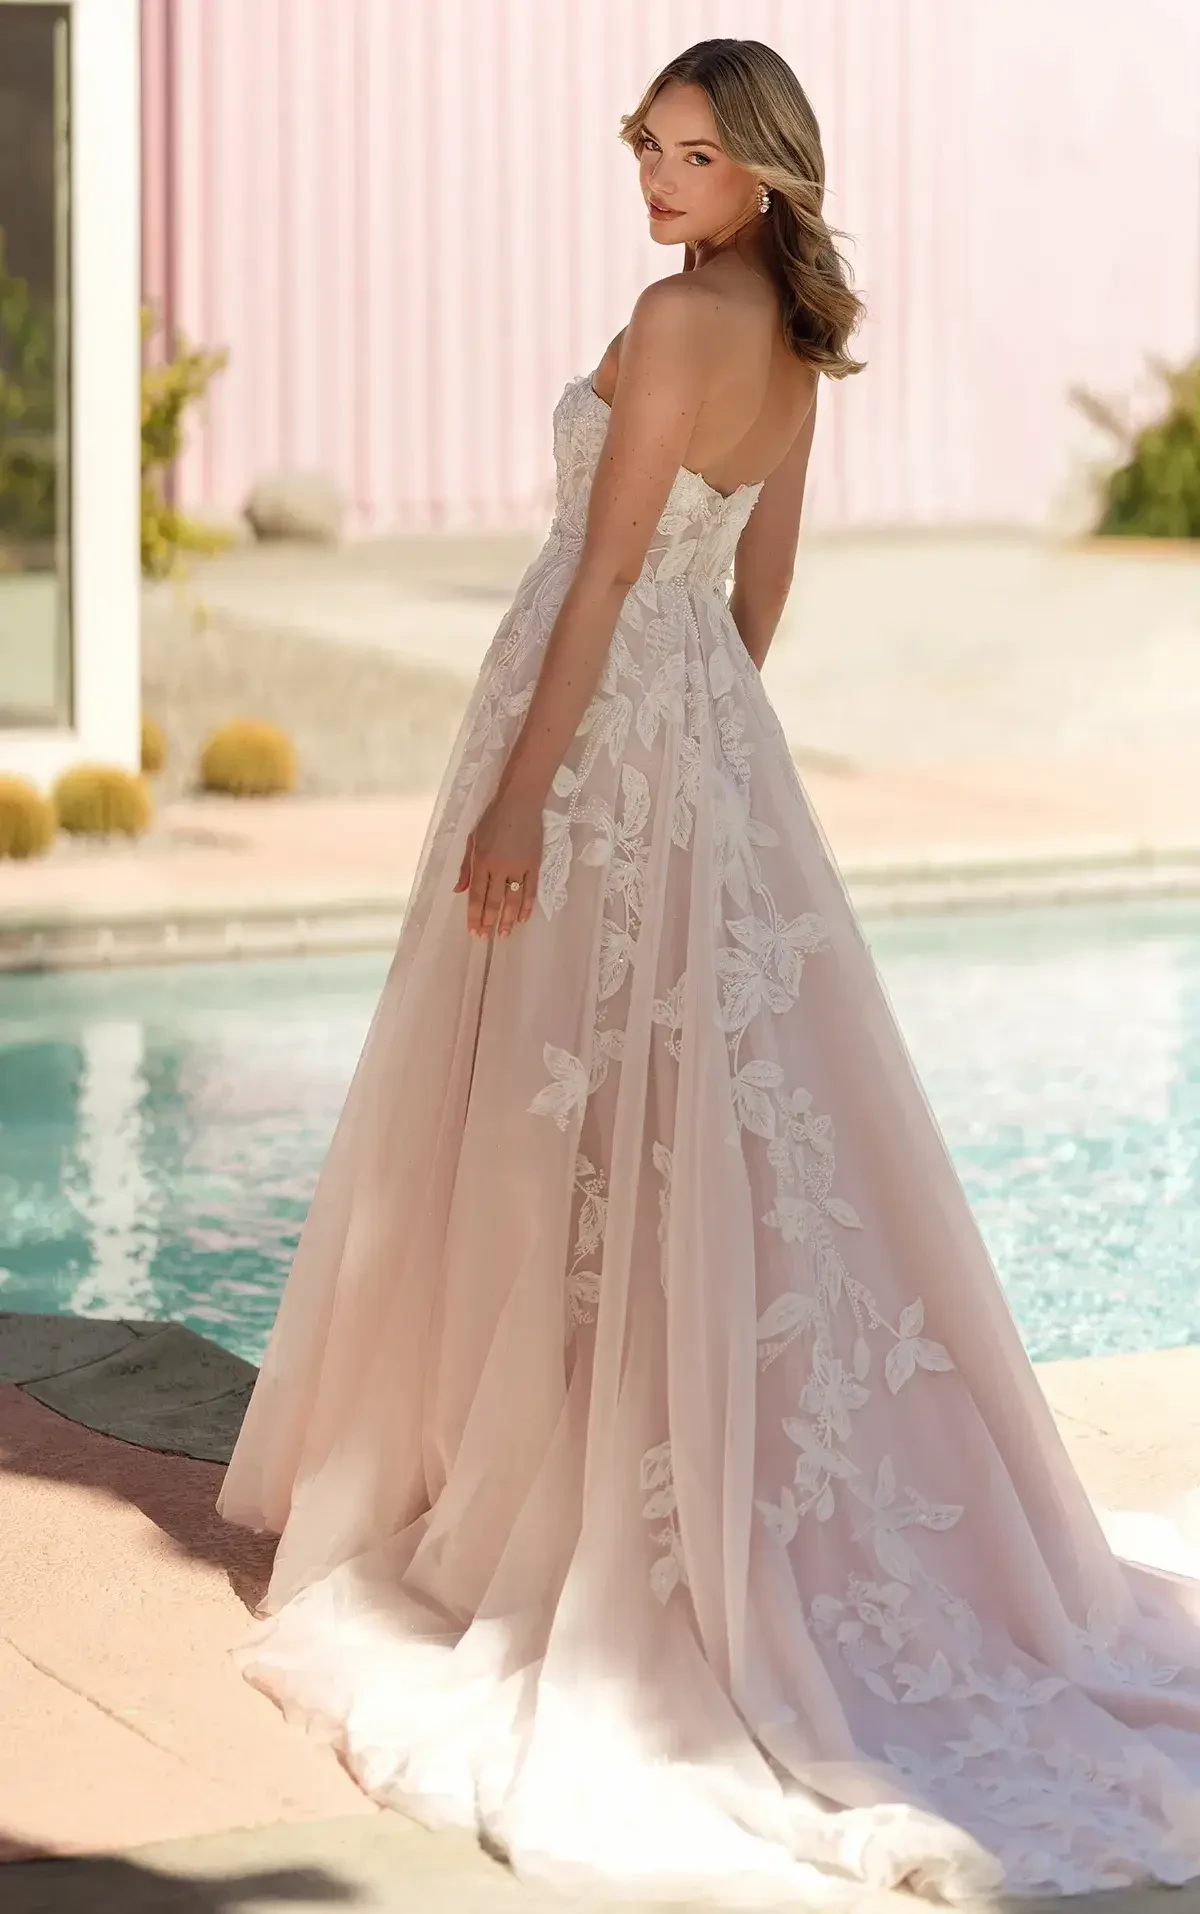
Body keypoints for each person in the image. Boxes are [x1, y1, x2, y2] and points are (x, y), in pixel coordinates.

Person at [218, 37, 1200, 1906]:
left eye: (691, 155)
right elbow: (755, 589)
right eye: (647, 148)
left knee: (555, 1115)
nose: (658, 180)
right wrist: (711, 741)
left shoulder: (675, 319)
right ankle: (610, 1450)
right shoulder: (797, 352)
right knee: (673, 1128)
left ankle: (575, 1483)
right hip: (698, 745)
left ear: (761, 174)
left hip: (584, 740)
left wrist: (523, 798)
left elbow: (598, 578)